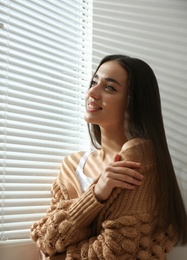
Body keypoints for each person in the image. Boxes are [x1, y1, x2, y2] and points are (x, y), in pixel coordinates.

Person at [31, 54, 187, 259]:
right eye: (94, 82)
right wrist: (97, 194)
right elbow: (46, 238)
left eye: (109, 88)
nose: (92, 92)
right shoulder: (72, 165)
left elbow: (115, 251)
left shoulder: (139, 158)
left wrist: (58, 255)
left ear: (134, 103)